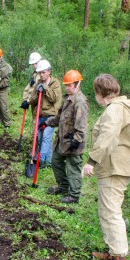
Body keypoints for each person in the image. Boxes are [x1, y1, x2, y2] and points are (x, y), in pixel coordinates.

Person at [82, 74, 130, 260]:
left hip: (115, 167)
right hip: (115, 165)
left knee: (110, 212)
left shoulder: (115, 110)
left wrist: (91, 161)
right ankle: (113, 250)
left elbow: (107, 137)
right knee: (106, 210)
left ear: (101, 92)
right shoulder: (117, 107)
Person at [43, 70, 89, 204]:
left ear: (77, 85)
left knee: (73, 168)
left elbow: (81, 125)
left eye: (70, 85)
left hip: (73, 142)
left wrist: (77, 140)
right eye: (66, 85)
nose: (67, 88)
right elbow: (59, 117)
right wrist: (48, 122)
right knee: (56, 161)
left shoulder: (80, 102)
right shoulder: (67, 99)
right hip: (62, 140)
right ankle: (63, 186)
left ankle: (74, 196)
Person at [29, 59, 62, 167]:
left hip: (51, 116)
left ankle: (40, 161)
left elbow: (54, 99)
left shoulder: (55, 83)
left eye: (43, 72)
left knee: (46, 137)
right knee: (39, 137)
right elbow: (33, 101)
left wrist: (46, 88)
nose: (41, 75)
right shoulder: (38, 83)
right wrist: (37, 93)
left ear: (49, 71)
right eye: (40, 73)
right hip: (40, 114)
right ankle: (49, 161)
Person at [21, 52, 42, 122]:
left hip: (39, 102)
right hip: (33, 101)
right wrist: (24, 100)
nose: (34, 65)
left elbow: (35, 90)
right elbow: (28, 88)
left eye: (36, 63)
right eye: (33, 64)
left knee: (37, 121)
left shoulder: (42, 75)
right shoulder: (35, 74)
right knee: (35, 120)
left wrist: (28, 101)